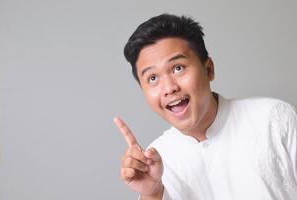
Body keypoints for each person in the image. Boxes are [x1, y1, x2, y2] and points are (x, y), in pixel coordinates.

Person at [114, 14, 297, 200]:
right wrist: (152, 194)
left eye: (178, 68)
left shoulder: (274, 118)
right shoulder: (152, 160)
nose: (169, 88)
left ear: (209, 69)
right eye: (152, 78)